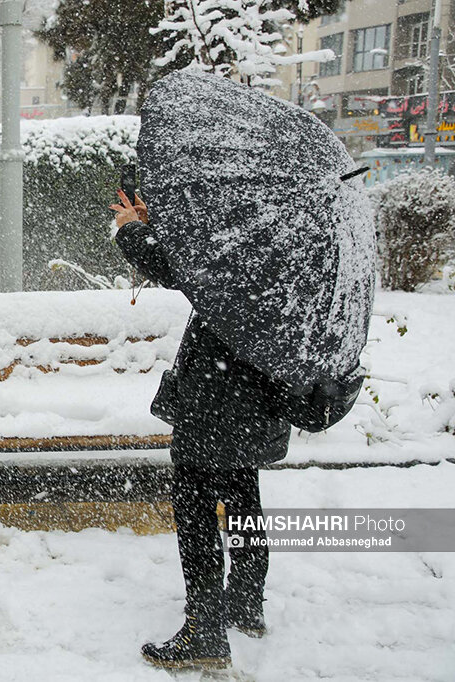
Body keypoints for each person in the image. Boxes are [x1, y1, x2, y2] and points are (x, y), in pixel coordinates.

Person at [111, 190, 289, 671]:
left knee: (195, 514)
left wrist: (132, 229)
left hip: (215, 403)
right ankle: (246, 603)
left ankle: (205, 630)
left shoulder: (244, 243)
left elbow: (180, 269)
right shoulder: (287, 246)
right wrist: (157, 224)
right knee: (241, 495)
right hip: (254, 402)